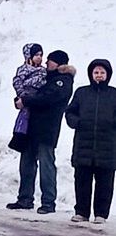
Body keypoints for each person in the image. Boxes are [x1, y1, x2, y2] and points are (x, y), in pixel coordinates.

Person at [7, 49, 75, 214]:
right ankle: (25, 199)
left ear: (58, 63)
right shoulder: (45, 78)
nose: (45, 63)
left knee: (46, 166)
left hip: (46, 130)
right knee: (26, 165)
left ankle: (48, 202)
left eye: (49, 60)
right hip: (31, 128)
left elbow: (48, 99)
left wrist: (26, 101)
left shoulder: (62, 81)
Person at [65, 59, 116, 225]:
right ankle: (81, 212)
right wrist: (76, 122)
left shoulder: (114, 94)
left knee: (105, 183)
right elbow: (70, 112)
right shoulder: (82, 92)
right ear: (91, 74)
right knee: (82, 181)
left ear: (108, 75)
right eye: (96, 72)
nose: (99, 75)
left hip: (107, 146)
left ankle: (101, 214)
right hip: (83, 145)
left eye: (102, 72)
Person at [8, 43, 46, 151]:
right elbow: (17, 81)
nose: (39, 57)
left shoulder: (43, 71)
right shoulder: (24, 69)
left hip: (38, 98)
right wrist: (22, 94)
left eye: (41, 55)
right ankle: (19, 137)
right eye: (36, 55)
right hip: (27, 96)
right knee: (24, 118)